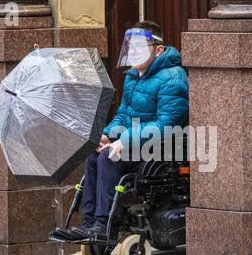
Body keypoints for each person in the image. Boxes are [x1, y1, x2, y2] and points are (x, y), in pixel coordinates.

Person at [64, 20, 189, 240]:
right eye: (131, 47)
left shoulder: (173, 77)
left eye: (140, 48)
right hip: (135, 143)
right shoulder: (134, 76)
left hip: (160, 148)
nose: (133, 53)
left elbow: (166, 124)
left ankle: (105, 226)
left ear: (158, 50)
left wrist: (123, 141)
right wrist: (107, 135)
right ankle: (89, 223)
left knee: (108, 158)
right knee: (93, 156)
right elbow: (123, 114)